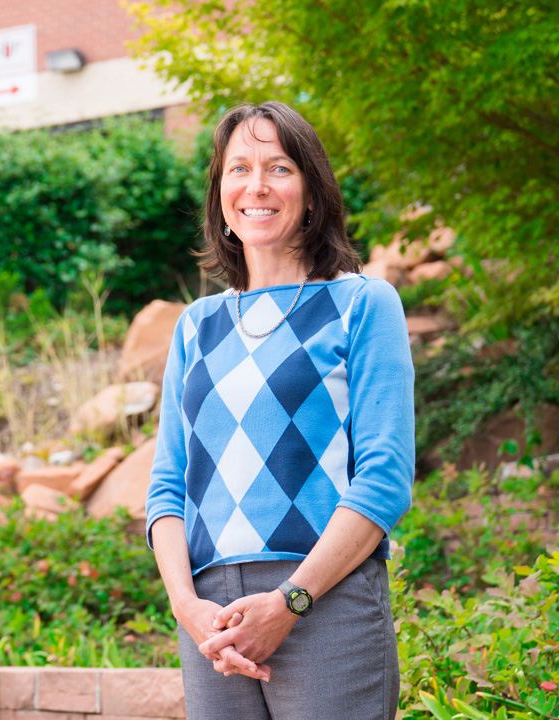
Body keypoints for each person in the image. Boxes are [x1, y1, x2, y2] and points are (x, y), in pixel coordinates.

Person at [145, 101, 414, 720]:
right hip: (211, 615)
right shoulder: (196, 326)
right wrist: (188, 608)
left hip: (325, 599)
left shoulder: (363, 304)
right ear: (220, 196)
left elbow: (384, 479)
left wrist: (290, 601)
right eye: (238, 168)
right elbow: (167, 488)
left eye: (280, 168)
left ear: (313, 191)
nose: (256, 186)